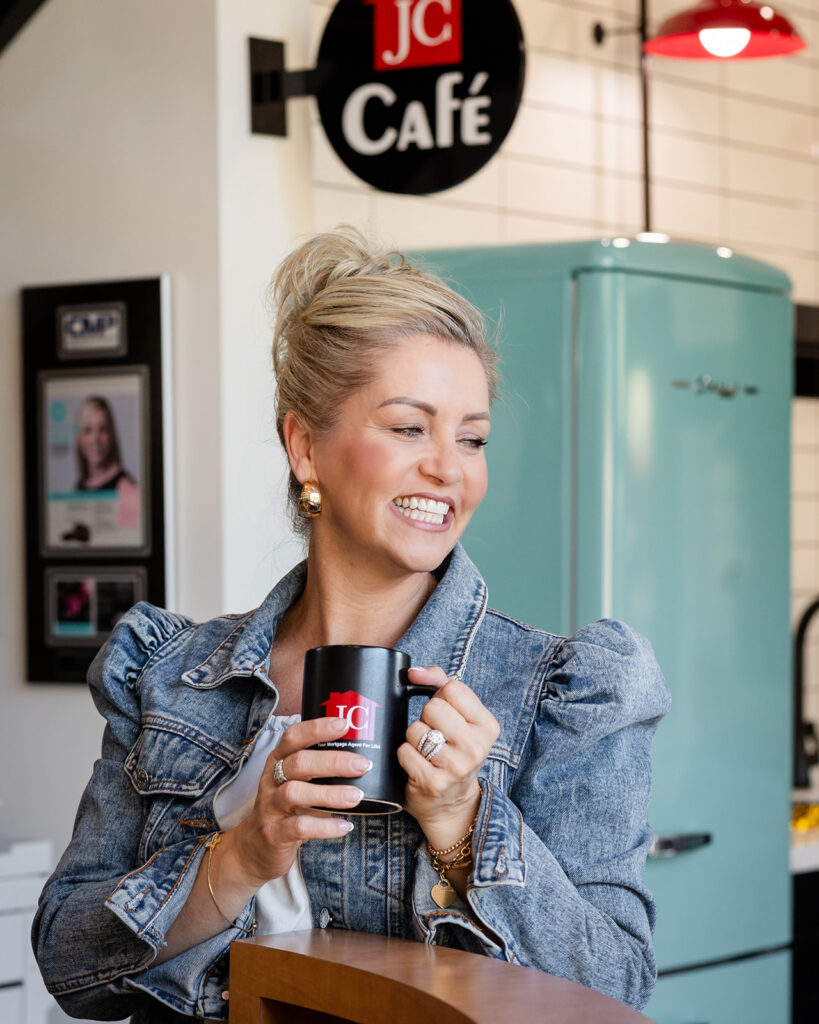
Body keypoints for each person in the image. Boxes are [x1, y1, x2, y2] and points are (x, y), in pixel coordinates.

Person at [33, 228, 671, 1023]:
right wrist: (239, 857)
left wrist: (464, 824)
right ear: (305, 445)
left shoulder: (562, 691)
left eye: (471, 437)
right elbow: (69, 967)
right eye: (409, 427)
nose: (449, 467)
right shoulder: (169, 675)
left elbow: (613, 992)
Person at [74, 395, 138, 495]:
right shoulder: (79, 486)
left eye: (102, 429)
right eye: (88, 430)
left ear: (111, 435)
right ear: (79, 438)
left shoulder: (125, 486)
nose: (95, 439)